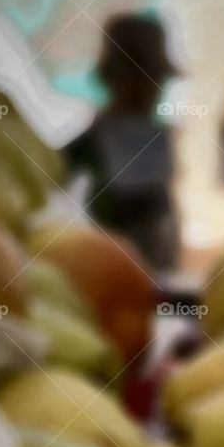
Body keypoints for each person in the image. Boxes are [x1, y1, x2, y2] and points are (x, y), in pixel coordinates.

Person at [65, 14, 181, 273]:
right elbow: (56, 173)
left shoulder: (153, 139)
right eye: (138, 82)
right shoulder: (95, 140)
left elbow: (164, 212)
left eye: (153, 83)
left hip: (155, 265)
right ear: (113, 80)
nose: (148, 93)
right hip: (102, 264)